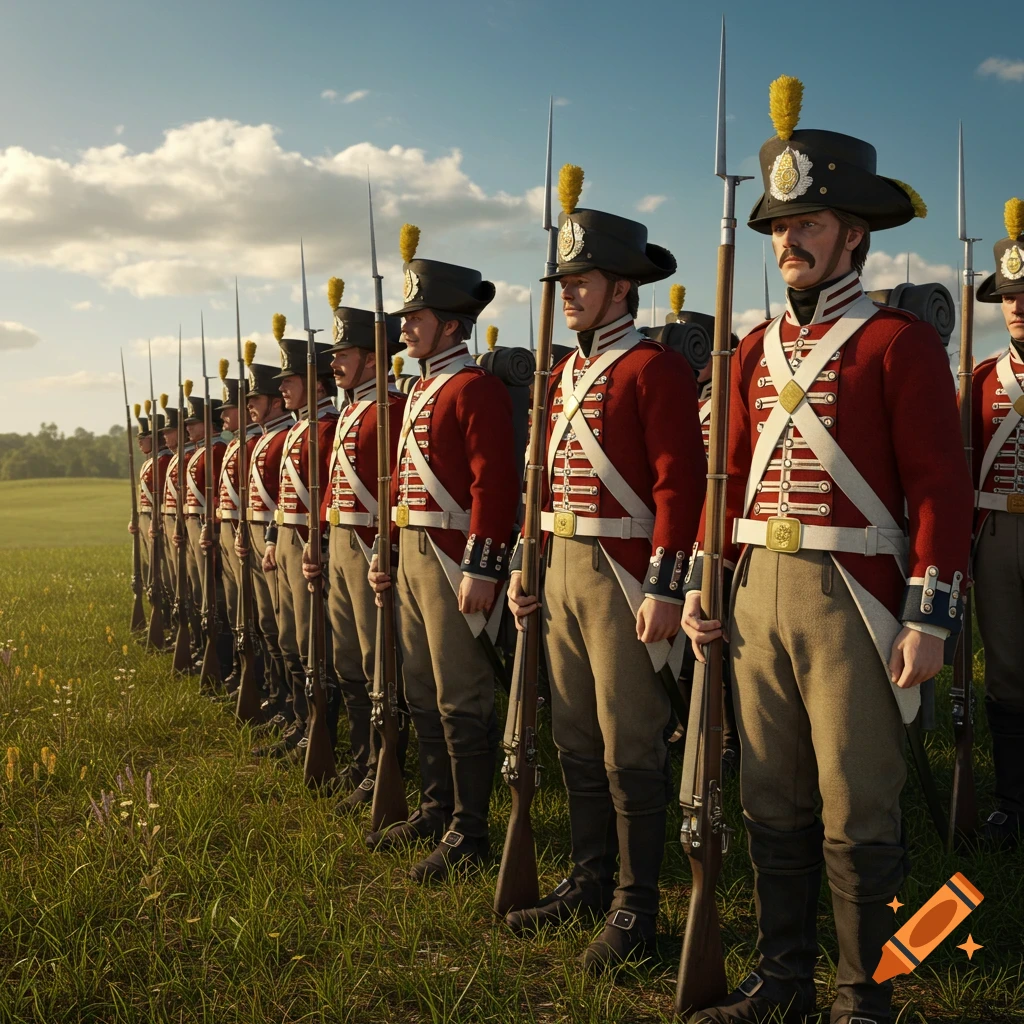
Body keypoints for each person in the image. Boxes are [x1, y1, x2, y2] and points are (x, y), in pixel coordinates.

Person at [680, 78, 973, 1024]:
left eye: (809, 221)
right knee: (770, 795)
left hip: (858, 596)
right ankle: (783, 983)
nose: (788, 240)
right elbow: (726, 479)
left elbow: (938, 488)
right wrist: (702, 582)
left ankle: (867, 996)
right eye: (779, 224)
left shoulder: (896, 345)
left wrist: (929, 618)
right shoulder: (751, 351)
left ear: (855, 232)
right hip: (759, 587)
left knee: (858, 812)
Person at [505, 169, 706, 970]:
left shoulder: (653, 369)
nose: (569, 295)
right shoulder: (562, 375)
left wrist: (662, 583)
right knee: (575, 736)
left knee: (631, 745)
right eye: (564, 283)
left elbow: (677, 485)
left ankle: (636, 907)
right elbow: (539, 484)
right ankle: (588, 880)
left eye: (581, 281)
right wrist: (528, 564)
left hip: (625, 576)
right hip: (560, 565)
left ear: (622, 287)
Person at [367, 225, 519, 883]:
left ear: (452, 325)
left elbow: (495, 483)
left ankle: (470, 829)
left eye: (415, 316)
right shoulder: (424, 389)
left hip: (456, 558)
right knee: (424, 690)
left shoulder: (474, 388)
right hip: (413, 554)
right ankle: (436, 808)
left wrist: (483, 566)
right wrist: (386, 550)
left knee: (461, 697)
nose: (405, 327)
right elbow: (398, 483)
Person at [301, 279, 408, 810]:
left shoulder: (391, 408)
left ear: (373, 357)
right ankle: (360, 758)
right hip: (340, 541)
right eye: (335, 354)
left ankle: (383, 767)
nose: (335, 363)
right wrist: (317, 539)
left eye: (344, 353)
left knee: (375, 662)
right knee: (345, 657)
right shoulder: (349, 410)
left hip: (370, 547)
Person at [256, 314, 339, 760]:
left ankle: (320, 734)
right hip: (287, 538)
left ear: (318, 384)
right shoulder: (297, 432)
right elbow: (283, 496)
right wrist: (272, 538)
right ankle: (301, 724)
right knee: (290, 638)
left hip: (312, 542)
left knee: (314, 644)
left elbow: (329, 493)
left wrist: (319, 542)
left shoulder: (326, 429)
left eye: (291, 380)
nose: (282, 388)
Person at [969, 196, 1024, 850]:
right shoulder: (982, 378)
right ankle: (1011, 804)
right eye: (1009, 296)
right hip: (995, 536)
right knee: (1006, 671)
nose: (1018, 305)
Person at [235, 345, 295, 724]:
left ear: (275, 402)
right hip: (261, 532)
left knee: (285, 627)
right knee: (268, 625)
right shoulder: (264, 439)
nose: (248, 407)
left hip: (280, 537)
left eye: (255, 399)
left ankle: (292, 708)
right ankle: (279, 698)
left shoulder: (285, 434)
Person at [216, 359, 263, 693]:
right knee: (236, 608)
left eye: (229, 409)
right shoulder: (235, 445)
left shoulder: (252, 444)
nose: (223, 417)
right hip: (229, 528)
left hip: (254, 532)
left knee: (258, 615)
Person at [182, 383, 228, 677]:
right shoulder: (199, 452)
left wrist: (210, 527)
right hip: (192, 522)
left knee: (214, 594)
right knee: (198, 591)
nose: (186, 429)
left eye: (193, 422)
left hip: (207, 524)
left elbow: (217, 495)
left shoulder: (217, 449)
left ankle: (220, 658)